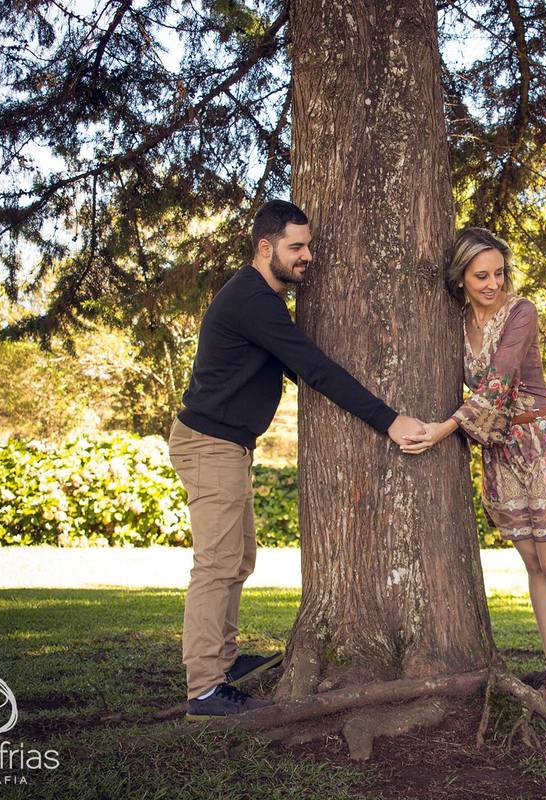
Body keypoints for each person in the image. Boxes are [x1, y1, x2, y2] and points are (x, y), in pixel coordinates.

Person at [169, 199, 424, 720]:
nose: (307, 256)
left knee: (238, 559)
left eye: (309, 246)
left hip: (227, 445)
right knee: (216, 565)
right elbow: (314, 369)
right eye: (296, 247)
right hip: (209, 444)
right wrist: (388, 419)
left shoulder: (259, 300)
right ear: (266, 248)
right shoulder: (253, 300)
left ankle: (226, 661)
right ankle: (204, 689)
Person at [402, 227, 546, 712]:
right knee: (533, 565)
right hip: (501, 452)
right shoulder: (454, 322)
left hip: (543, 442)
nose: (492, 284)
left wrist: (444, 430)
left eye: (498, 273)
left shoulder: (520, 312)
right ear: (460, 277)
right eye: (481, 275)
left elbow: (501, 380)